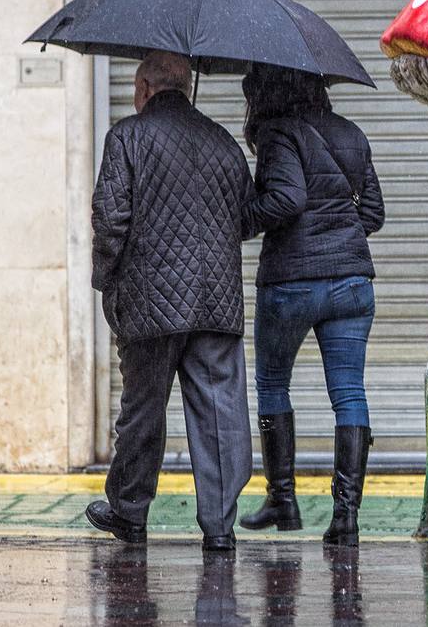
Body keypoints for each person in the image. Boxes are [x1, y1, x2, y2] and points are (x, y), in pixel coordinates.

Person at [85, 51, 255, 553]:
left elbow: (110, 219)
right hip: (218, 303)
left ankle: (130, 513)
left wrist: (106, 283)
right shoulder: (224, 142)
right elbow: (245, 219)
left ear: (143, 88)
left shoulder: (128, 137)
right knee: (220, 414)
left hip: (149, 301)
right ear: (185, 88)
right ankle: (220, 528)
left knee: (142, 410)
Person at [238, 65, 385, 546]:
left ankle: (283, 500)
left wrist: (242, 221)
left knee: (272, 385)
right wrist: (338, 243)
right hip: (351, 285)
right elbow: (373, 214)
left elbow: (285, 200)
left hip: (291, 285)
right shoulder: (352, 134)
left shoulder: (279, 132)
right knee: (350, 394)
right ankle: (346, 517)